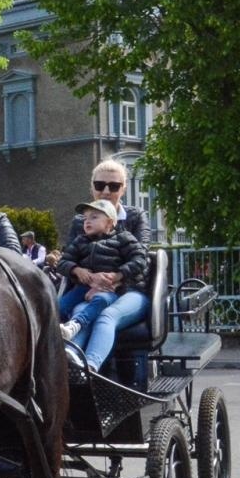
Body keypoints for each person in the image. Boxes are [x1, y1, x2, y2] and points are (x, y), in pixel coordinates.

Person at [60, 158, 154, 374]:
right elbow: (70, 257)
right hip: (89, 290)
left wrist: (114, 278)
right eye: (100, 185)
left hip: (130, 290)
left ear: (123, 189)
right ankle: (72, 361)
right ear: (92, 187)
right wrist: (83, 275)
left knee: (107, 315)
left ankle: (91, 365)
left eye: (113, 186)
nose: (106, 191)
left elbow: (142, 257)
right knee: (80, 310)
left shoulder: (135, 217)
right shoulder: (80, 221)